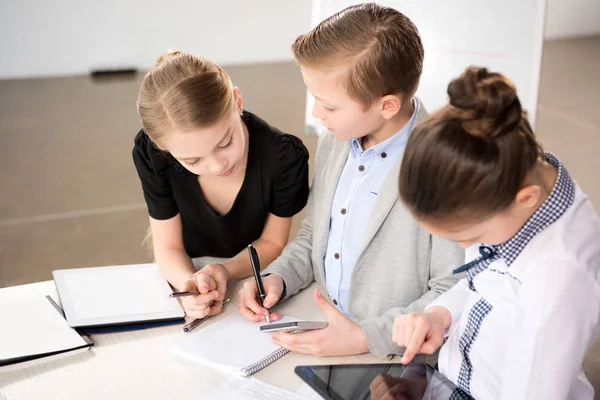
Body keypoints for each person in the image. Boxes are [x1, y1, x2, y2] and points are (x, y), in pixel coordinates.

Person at [238, 3, 464, 358]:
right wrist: (279, 277)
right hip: (323, 327)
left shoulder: (447, 167)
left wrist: (363, 337)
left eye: (328, 106)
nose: (316, 114)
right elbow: (316, 235)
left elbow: (453, 287)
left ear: (386, 105)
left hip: (394, 357)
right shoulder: (337, 139)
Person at [393, 66, 600, 399]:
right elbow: (483, 281)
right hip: (453, 380)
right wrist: (440, 315)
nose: (465, 247)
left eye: (471, 238)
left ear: (524, 198)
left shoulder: (559, 281)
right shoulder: (521, 178)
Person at [132, 50, 309, 319]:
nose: (217, 166)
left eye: (225, 143)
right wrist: (189, 286)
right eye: (192, 160)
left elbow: (273, 243)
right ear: (162, 149)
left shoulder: (284, 158)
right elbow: (168, 247)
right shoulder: (152, 155)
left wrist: (224, 271)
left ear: (238, 102)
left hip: (255, 273)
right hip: (186, 267)